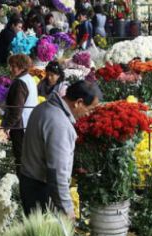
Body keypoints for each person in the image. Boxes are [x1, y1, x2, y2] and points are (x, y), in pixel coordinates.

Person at [20, 81, 101, 217]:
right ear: (78, 102)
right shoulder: (59, 123)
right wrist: (67, 209)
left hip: (29, 182)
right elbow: (57, 172)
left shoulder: (43, 107)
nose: (89, 114)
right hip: (41, 190)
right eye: (90, 109)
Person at [2, 54, 38, 166]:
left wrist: (5, 127)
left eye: (14, 66)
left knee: (21, 158)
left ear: (22, 67)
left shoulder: (20, 83)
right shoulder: (29, 78)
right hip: (29, 123)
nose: (11, 69)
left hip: (20, 127)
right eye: (11, 66)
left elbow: (16, 110)